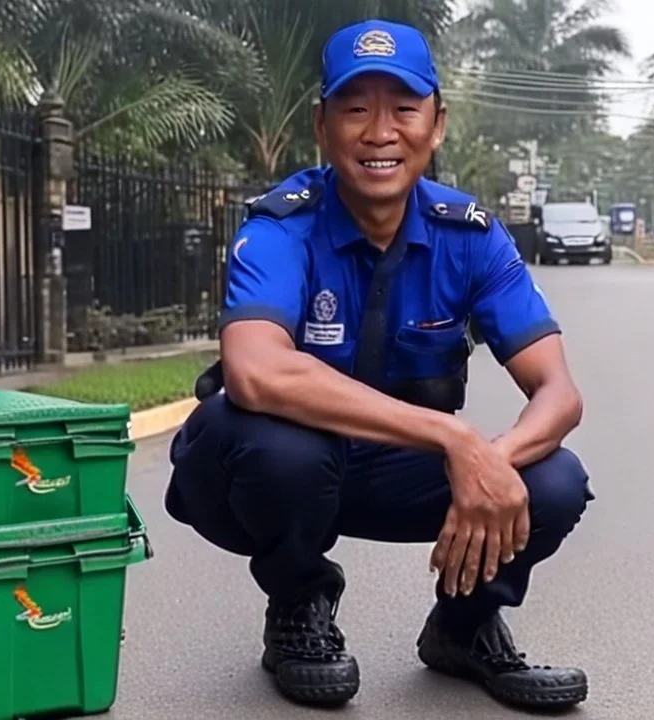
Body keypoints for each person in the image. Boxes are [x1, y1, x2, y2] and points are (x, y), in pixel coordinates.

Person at [164, 18, 595, 712]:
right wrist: (453, 439)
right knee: (280, 447)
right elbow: (256, 372)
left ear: (437, 123)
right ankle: (298, 605)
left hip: (393, 471)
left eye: (403, 107)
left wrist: (497, 457)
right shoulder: (281, 228)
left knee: (552, 479)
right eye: (355, 108)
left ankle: (462, 626)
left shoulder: (471, 237)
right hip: (267, 470)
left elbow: (559, 391)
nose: (379, 131)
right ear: (322, 126)